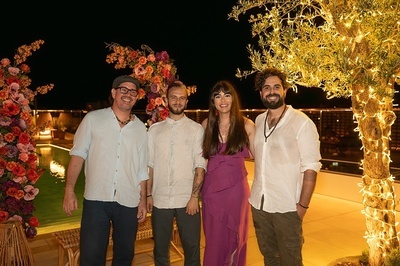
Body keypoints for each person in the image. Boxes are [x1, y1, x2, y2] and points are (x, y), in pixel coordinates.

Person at [62, 75, 148, 266]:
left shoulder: (140, 129)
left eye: (132, 91)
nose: (128, 94)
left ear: (136, 97)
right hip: (96, 200)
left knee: (124, 257)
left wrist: (142, 200)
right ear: (113, 93)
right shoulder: (93, 119)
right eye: (123, 90)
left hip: (128, 200)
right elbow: (78, 155)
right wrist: (69, 190)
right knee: (91, 256)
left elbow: (142, 168)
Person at [251, 67, 322, 266]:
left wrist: (302, 207)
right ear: (261, 93)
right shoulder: (258, 120)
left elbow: (311, 168)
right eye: (266, 88)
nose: (271, 91)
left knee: (291, 260)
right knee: (270, 258)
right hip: (259, 204)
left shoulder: (301, 123)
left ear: (285, 91)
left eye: (276, 87)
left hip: (287, 207)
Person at [146, 81, 206, 266]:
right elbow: (149, 166)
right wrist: (148, 195)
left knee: (192, 250)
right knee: (160, 252)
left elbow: (200, 167)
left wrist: (194, 197)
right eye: (174, 97)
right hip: (160, 200)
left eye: (182, 98)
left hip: (187, 200)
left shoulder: (196, 130)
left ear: (187, 102)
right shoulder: (155, 130)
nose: (178, 101)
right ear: (166, 100)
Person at [201, 80, 255, 266]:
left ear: (234, 99)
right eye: (217, 96)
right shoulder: (206, 124)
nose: (222, 100)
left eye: (227, 94)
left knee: (236, 236)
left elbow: (261, 157)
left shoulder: (247, 125)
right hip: (211, 192)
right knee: (213, 240)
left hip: (236, 192)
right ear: (213, 101)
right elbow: (200, 161)